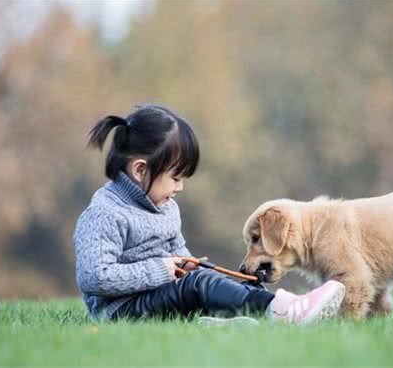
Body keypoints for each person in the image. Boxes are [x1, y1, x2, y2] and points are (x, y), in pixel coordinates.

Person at [74, 104, 345, 323]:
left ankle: (266, 310)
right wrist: (162, 270)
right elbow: (95, 277)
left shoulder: (165, 207)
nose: (180, 187)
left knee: (212, 280)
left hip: (159, 296)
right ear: (140, 170)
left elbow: (175, 249)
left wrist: (186, 263)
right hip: (122, 311)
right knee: (197, 284)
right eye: (176, 177)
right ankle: (282, 311)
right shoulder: (105, 214)